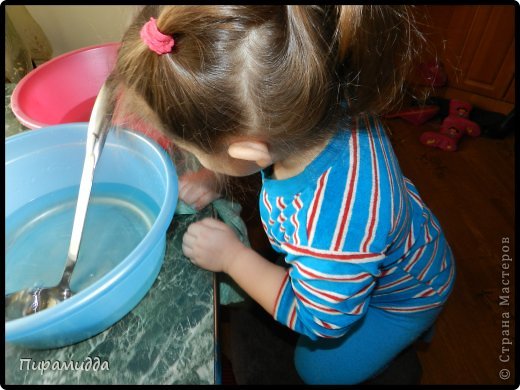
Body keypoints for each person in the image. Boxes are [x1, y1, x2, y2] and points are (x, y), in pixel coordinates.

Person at [106, 5, 455, 384]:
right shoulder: (314, 98)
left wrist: (233, 258)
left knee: (316, 370)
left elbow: (319, 320)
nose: (191, 154)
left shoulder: (333, 227)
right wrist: (215, 175)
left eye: (194, 148)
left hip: (405, 295)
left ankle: (409, 332)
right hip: (403, 246)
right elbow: (261, 150)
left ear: (248, 152)